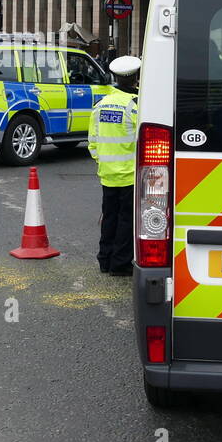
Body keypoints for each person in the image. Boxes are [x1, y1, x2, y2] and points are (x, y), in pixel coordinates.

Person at [88, 55, 141, 277]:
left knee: (109, 217)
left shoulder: (101, 104)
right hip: (129, 175)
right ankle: (120, 264)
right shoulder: (135, 105)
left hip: (107, 173)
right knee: (126, 220)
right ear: (136, 77)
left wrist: (103, 162)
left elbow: (92, 141)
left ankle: (105, 259)